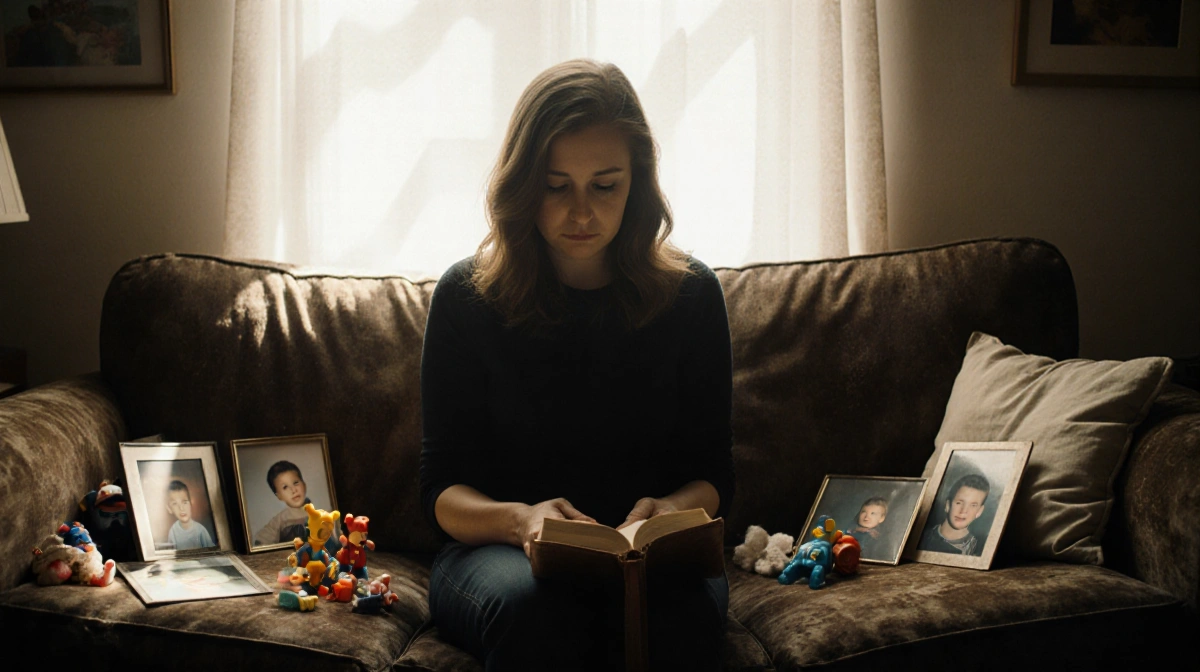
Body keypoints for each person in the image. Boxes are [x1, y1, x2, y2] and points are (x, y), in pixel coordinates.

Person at [420, 59, 734, 671]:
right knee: (533, 610)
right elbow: (440, 490)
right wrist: (520, 522)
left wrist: (669, 514)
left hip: (650, 558)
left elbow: (715, 472)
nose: (582, 213)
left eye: (606, 185)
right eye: (557, 186)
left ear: (637, 184)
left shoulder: (693, 295)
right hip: (499, 553)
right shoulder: (465, 297)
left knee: (682, 618)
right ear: (522, 184)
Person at [253, 460, 340, 552]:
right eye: (285, 487)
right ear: (279, 496)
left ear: (304, 485)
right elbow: (261, 543)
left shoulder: (322, 514)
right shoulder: (280, 521)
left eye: (296, 483)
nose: (293, 490)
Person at [919, 474, 990, 556]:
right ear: (948, 505)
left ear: (979, 511)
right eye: (959, 503)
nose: (963, 511)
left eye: (973, 505)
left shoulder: (978, 550)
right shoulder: (921, 539)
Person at [165, 480, 214, 551]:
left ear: (190, 503)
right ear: (169, 509)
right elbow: (171, 556)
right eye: (175, 504)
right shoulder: (173, 532)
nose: (181, 508)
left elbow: (212, 553)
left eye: (184, 502)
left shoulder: (200, 530)